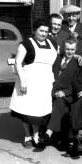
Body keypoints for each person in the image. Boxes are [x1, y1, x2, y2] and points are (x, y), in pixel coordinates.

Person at [10, 18, 58, 148]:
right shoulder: (26, 44)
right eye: (41, 30)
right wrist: (23, 82)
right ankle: (27, 136)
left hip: (45, 82)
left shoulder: (53, 43)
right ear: (35, 30)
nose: (43, 34)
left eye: (46, 31)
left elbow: (61, 57)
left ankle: (36, 135)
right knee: (26, 110)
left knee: (39, 112)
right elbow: (18, 63)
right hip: (29, 81)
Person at [39, 39, 80, 147]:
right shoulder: (57, 59)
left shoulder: (78, 63)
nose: (70, 52)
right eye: (67, 49)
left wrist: (65, 92)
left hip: (68, 95)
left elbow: (77, 84)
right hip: (52, 91)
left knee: (60, 102)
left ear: (75, 50)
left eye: (72, 49)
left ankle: (48, 133)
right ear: (63, 49)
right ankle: (36, 133)